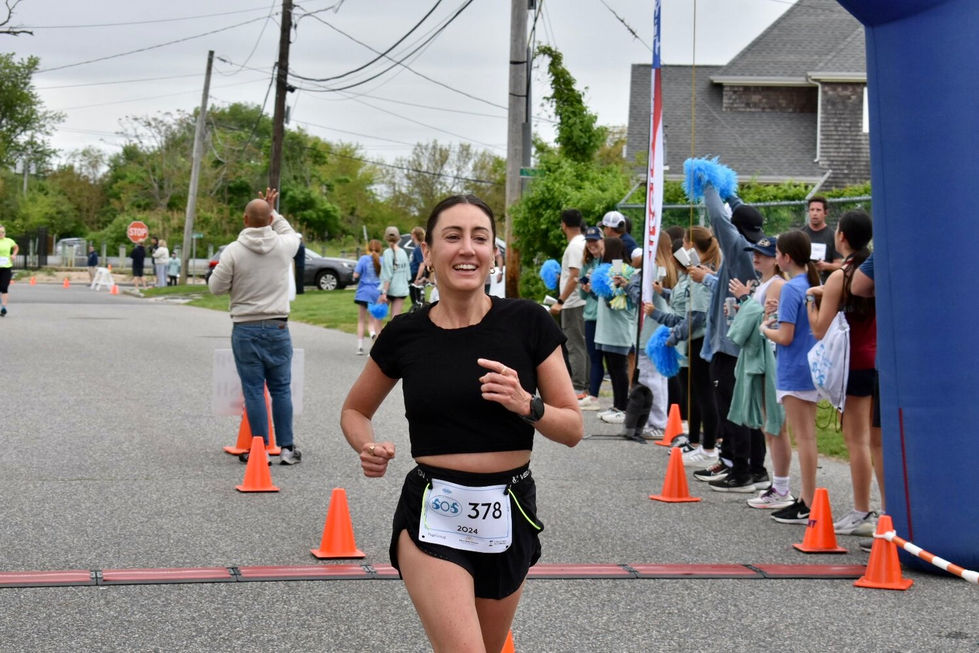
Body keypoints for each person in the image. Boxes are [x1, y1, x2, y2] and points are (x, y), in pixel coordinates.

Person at [340, 194, 583, 653]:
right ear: (428, 253)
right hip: (434, 513)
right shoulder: (405, 333)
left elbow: (571, 427)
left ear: (495, 253)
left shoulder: (527, 322)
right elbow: (355, 411)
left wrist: (526, 404)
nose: (467, 248)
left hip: (510, 508)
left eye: (480, 237)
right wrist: (367, 446)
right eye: (452, 237)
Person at [208, 188, 303, 466]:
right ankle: (287, 448)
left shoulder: (234, 251)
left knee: (253, 389)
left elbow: (215, 287)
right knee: (281, 388)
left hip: (246, 327)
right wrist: (274, 212)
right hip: (277, 327)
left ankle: (259, 448)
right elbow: (291, 232)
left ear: (244, 219)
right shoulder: (284, 246)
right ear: (269, 219)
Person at [689, 184, 770, 495]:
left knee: (733, 408)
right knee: (744, 407)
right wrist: (730, 191)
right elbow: (737, 216)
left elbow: (719, 218)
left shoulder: (737, 246)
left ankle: (741, 467)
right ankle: (749, 465)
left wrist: (709, 183)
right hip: (740, 340)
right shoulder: (757, 242)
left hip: (731, 343)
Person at [806, 209, 878, 536]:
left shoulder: (840, 276)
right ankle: (883, 512)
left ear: (842, 237)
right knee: (876, 441)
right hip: (877, 361)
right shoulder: (872, 271)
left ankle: (862, 510)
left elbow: (821, 330)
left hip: (852, 366)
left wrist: (812, 300)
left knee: (856, 441)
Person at [728, 236, 793, 509]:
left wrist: (745, 301)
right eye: (755, 253)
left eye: (764, 254)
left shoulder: (777, 284)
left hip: (770, 359)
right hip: (761, 358)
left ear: (777, 258)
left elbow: (771, 323)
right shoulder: (764, 284)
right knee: (769, 426)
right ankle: (777, 485)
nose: (757, 258)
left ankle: (782, 487)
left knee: (776, 425)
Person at [761, 230, 820, 523]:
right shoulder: (809, 284)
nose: (775, 258)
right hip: (811, 367)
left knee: (804, 437)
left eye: (777, 253)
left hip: (794, 369)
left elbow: (784, 337)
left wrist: (765, 328)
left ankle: (808, 500)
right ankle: (806, 497)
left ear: (786, 257)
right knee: (807, 436)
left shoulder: (791, 288)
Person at [650, 227, 718, 460]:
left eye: (685, 244)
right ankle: (697, 440)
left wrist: (675, 336)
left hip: (698, 341)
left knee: (704, 395)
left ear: (689, 245)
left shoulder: (698, 274)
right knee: (697, 394)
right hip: (692, 339)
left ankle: (707, 446)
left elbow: (697, 314)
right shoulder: (692, 274)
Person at [594, 237, 639, 425]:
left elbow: (618, 299)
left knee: (618, 368)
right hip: (607, 327)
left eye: (603, 247)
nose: (600, 250)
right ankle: (616, 405)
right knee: (611, 367)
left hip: (618, 328)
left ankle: (623, 406)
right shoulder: (605, 268)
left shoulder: (621, 270)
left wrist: (606, 291)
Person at [549, 209, 588, 398]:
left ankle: (578, 387)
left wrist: (560, 300)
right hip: (580, 301)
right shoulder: (583, 242)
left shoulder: (574, 245)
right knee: (582, 343)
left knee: (575, 344)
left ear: (564, 224)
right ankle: (585, 385)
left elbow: (574, 276)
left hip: (573, 302)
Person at [576, 226, 606, 411]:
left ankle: (595, 395)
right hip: (590, 314)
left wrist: (595, 289)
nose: (592, 244)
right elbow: (583, 294)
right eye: (589, 241)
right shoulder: (587, 263)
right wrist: (585, 287)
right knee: (594, 356)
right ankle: (593, 395)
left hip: (606, 316)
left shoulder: (607, 261)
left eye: (595, 240)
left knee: (608, 358)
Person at [353, 239, 384, 355]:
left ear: (368, 248)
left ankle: (360, 347)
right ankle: (373, 335)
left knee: (361, 320)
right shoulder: (382, 260)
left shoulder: (363, 259)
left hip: (363, 292)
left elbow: (356, 274)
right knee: (373, 321)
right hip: (377, 293)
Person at [802, 196, 843, 282]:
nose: (814, 213)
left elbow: (839, 265)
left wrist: (824, 266)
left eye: (818, 210)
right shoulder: (801, 234)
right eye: (812, 210)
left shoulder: (833, 236)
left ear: (826, 213)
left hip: (826, 284)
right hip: (804, 281)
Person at [380, 226, 411, 318]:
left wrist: (384, 293)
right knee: (395, 319)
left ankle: (376, 332)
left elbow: (387, 276)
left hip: (390, 290)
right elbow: (408, 275)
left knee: (378, 316)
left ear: (386, 238)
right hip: (401, 290)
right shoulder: (403, 252)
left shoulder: (387, 253)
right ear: (398, 238)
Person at [0, 225, 18, 317]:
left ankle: (3, 308)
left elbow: (16, 247)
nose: (1, 234)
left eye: (2, 232)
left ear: (5, 233)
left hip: (6, 267)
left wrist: (14, 255)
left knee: (4, 287)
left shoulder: (9, 241)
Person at [408, 227, 427, 308]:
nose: (411, 236)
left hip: (416, 275)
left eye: (411, 234)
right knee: (414, 299)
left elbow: (422, 264)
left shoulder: (419, 248)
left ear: (415, 235)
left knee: (417, 300)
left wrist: (417, 278)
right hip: (413, 274)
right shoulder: (416, 248)